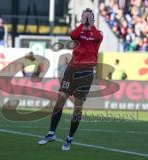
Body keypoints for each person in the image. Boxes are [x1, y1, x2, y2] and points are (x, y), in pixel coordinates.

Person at [38, 8, 103, 150]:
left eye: (89, 16)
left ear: (93, 19)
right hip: (72, 69)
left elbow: (97, 37)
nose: (86, 18)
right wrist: (82, 24)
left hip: (86, 73)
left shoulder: (97, 34)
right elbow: (72, 35)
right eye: (84, 16)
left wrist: (90, 25)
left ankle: (69, 138)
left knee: (78, 108)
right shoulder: (78, 31)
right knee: (59, 102)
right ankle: (51, 133)